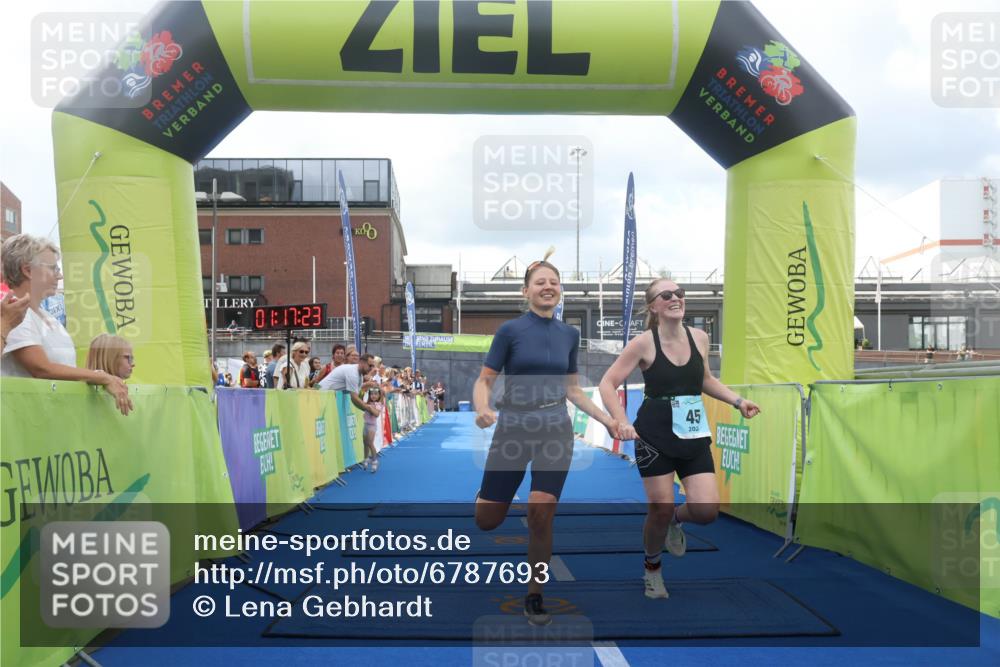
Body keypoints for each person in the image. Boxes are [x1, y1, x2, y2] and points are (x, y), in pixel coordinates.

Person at [473, 252, 618, 626]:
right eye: (540, 282)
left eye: (554, 282)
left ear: (560, 290)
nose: (548, 287)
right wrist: (482, 408)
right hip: (513, 427)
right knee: (487, 520)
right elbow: (485, 380)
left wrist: (607, 419)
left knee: (541, 514)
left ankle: (535, 594)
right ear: (526, 291)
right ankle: (486, 495)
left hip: (555, 428)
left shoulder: (570, 334)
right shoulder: (509, 331)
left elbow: (574, 390)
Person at [598, 279, 761, 600]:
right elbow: (607, 383)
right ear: (654, 306)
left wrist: (738, 401)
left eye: (680, 293)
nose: (676, 298)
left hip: (692, 432)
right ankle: (652, 569)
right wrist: (621, 420)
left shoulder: (700, 337)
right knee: (658, 507)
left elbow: (705, 379)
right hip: (654, 435)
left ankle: (676, 519)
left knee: (706, 511)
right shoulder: (643, 343)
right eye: (667, 295)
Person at [0, 234, 132, 416]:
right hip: (25, 420)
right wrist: (101, 376)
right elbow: (42, 369)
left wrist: (101, 377)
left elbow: (64, 372)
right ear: (28, 270)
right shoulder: (14, 313)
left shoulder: (50, 319)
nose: (60, 275)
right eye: (53, 268)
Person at [318, 351, 381, 426]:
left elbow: (358, 395)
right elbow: (354, 399)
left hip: (326, 397)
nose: (371, 369)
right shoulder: (353, 373)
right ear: (361, 362)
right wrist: (369, 409)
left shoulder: (359, 375)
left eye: (373, 366)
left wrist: (368, 408)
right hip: (320, 397)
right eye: (370, 365)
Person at [362, 386, 385, 472]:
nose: (373, 396)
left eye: (376, 394)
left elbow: (376, 414)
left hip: (372, 426)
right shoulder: (368, 403)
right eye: (372, 394)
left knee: (370, 443)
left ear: (379, 395)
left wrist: (369, 408)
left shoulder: (378, 404)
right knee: (365, 443)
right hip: (365, 425)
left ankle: (375, 461)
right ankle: (366, 458)